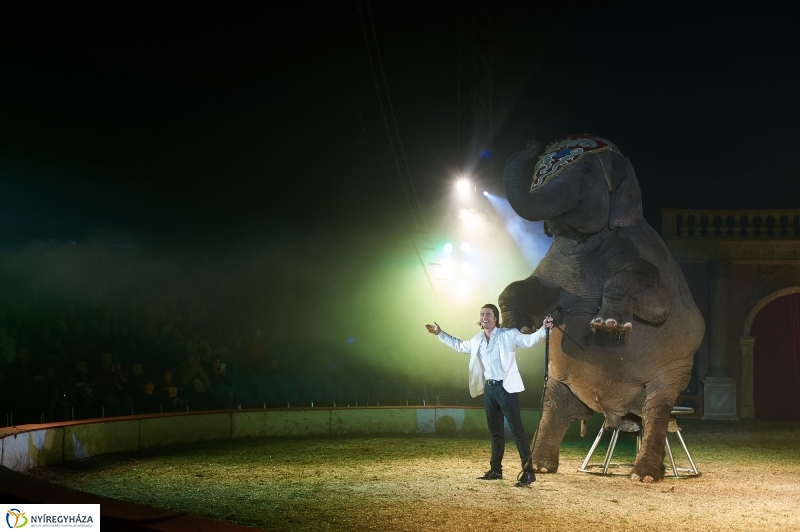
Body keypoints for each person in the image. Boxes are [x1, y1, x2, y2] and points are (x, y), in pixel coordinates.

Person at [425, 304, 553, 487]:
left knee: (517, 431)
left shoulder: (508, 334)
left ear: (495, 318)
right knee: (495, 432)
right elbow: (460, 345)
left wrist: (543, 329)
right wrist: (440, 333)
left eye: (488, 314)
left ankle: (528, 472)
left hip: (506, 388)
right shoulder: (477, 339)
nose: (484, 317)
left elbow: (528, 341)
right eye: (482, 314)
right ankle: (496, 470)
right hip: (490, 389)